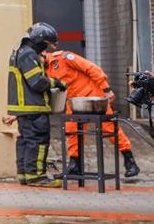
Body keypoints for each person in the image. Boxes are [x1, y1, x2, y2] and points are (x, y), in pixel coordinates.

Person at [43, 37, 140, 178]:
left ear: (43, 53)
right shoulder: (45, 70)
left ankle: (129, 160)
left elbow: (91, 68)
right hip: (74, 102)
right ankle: (75, 164)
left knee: (109, 128)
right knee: (71, 130)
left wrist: (106, 89)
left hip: (93, 97)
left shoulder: (64, 57)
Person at [2, 23, 65, 186]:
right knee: (38, 141)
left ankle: (25, 174)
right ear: (39, 40)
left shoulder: (19, 52)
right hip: (33, 107)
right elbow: (37, 82)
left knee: (25, 141)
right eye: (46, 45)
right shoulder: (28, 55)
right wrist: (56, 83)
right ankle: (36, 176)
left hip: (23, 108)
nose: (45, 49)